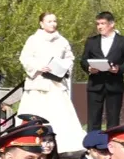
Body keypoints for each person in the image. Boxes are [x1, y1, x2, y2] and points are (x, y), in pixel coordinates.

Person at [17, 12, 86, 151]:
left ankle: (62, 146)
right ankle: (31, 143)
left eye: (54, 21)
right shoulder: (33, 39)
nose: (53, 24)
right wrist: (39, 67)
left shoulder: (62, 41)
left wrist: (63, 68)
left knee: (60, 114)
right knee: (37, 112)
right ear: (41, 24)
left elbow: (69, 59)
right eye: (49, 21)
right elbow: (25, 58)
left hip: (56, 83)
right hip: (38, 83)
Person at [82, 11, 124, 130]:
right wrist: (89, 68)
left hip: (115, 84)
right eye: (98, 24)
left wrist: (119, 69)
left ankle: (111, 141)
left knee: (113, 120)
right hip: (95, 85)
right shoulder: (91, 41)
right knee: (93, 119)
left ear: (111, 24)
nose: (99, 27)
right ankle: (93, 141)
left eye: (103, 23)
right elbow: (83, 60)